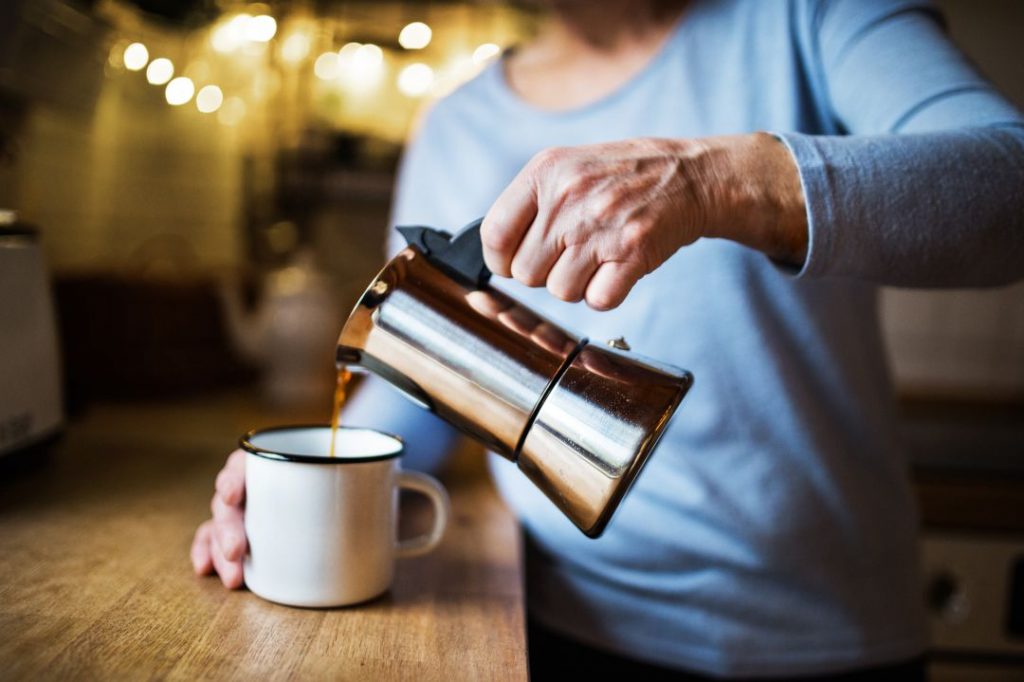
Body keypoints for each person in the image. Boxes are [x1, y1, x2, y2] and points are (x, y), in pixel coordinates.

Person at [192, 0, 1024, 678]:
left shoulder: (808, 16)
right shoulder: (457, 124)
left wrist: (717, 181)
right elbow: (429, 385)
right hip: (564, 623)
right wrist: (314, 483)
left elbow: (1008, 189)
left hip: (823, 635)